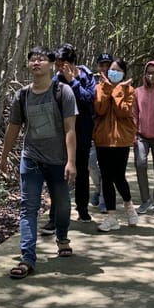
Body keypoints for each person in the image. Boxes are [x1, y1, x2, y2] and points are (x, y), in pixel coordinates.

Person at [0, 46, 77, 278]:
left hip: (58, 160)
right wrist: (3, 156)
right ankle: (27, 258)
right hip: (31, 158)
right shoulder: (22, 95)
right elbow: (14, 128)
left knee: (62, 205)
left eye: (41, 59)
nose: (36, 63)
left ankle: (62, 237)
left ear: (51, 64)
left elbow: (70, 129)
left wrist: (71, 161)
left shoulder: (63, 92)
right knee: (28, 208)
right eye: (32, 59)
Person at [48, 43, 96, 223]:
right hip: (62, 135)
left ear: (71, 62)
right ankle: (55, 215)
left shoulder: (87, 76)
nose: (60, 68)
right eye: (58, 64)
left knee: (82, 173)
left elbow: (90, 99)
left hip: (82, 133)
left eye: (62, 64)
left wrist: (73, 82)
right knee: (59, 175)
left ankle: (82, 209)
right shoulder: (55, 80)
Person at [92, 56, 139, 231]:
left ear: (124, 73)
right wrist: (106, 88)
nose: (114, 72)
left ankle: (129, 207)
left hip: (121, 140)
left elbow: (123, 112)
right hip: (103, 139)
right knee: (106, 177)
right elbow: (100, 109)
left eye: (119, 70)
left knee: (118, 176)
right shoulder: (100, 88)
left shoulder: (129, 90)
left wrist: (118, 89)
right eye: (112, 69)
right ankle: (111, 217)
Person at [132, 60, 154, 214]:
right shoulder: (138, 92)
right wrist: (133, 132)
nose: (151, 75)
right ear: (144, 74)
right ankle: (145, 200)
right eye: (148, 72)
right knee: (140, 164)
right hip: (141, 136)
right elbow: (134, 114)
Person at [89, 52, 114, 211]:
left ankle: (105, 198)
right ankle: (99, 188)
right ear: (98, 67)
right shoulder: (91, 84)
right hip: (93, 131)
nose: (104, 68)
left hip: (112, 133)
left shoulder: (118, 84)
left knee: (107, 168)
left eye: (107, 65)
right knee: (90, 163)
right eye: (102, 65)